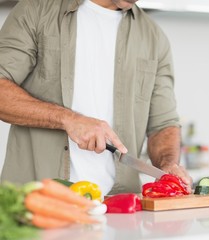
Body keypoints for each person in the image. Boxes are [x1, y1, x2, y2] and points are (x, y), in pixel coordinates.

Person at [0, 0, 192, 196]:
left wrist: (168, 163)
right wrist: (68, 119)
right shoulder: (37, 10)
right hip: (39, 200)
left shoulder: (154, 38)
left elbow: (163, 123)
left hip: (120, 207)